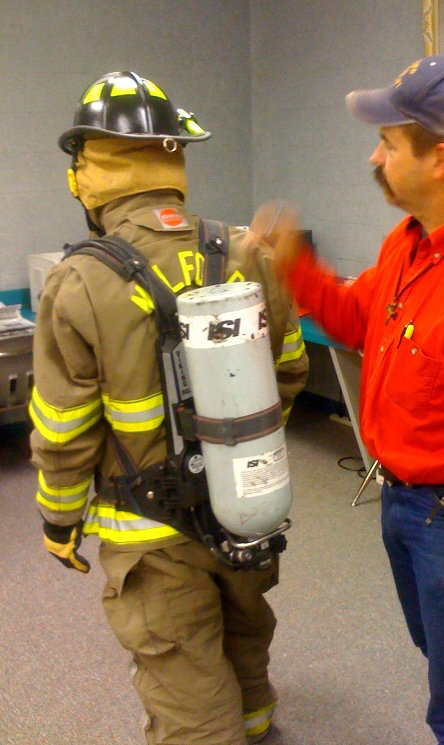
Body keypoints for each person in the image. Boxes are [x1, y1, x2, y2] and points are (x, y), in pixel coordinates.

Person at [248, 55, 444, 745]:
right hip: (403, 504)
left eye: (388, 143)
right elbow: (359, 322)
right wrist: (296, 261)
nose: (375, 155)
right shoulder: (411, 241)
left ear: (440, 157)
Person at [29, 71, 308, 745]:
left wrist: (60, 519)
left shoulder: (78, 280)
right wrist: (239, 457)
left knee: (183, 671)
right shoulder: (245, 250)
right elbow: (291, 369)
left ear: (89, 171)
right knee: (245, 636)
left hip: (147, 531)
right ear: (172, 155)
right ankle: (257, 722)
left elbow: (63, 427)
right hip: (244, 509)